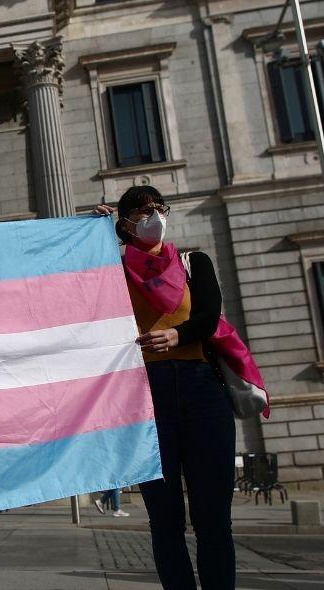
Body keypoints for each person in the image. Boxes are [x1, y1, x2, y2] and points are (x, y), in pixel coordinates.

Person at [96, 185, 234, 590]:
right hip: (146, 397)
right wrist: (98, 238)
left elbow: (209, 317)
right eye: (142, 210)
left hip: (202, 390)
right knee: (165, 520)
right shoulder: (113, 271)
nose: (153, 214)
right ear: (125, 224)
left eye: (158, 207)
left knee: (213, 519)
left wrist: (177, 336)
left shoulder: (194, 262)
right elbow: (78, 293)